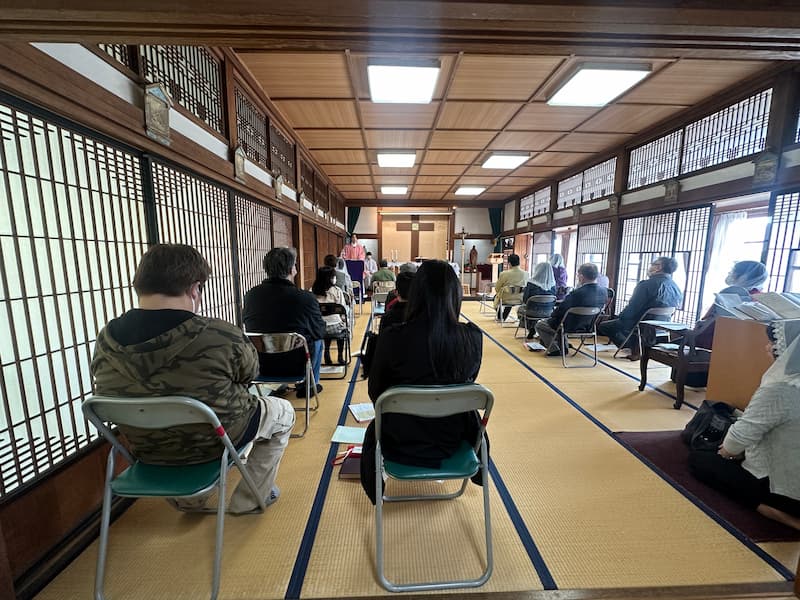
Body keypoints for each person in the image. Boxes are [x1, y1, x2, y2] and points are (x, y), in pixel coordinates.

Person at [90, 244, 295, 514]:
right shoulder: (219, 335)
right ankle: (250, 498)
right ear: (194, 288)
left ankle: (189, 499)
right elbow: (250, 374)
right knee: (283, 412)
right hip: (213, 440)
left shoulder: (106, 340)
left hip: (147, 446)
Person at [359, 260, 485, 504]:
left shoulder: (393, 337)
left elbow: (377, 395)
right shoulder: (472, 337)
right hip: (453, 438)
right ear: (456, 294)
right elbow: (467, 385)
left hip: (398, 438)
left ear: (415, 294)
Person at [688, 318, 800, 531]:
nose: (767, 347)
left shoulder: (780, 389)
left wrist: (728, 452)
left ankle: (776, 513)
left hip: (784, 490)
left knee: (700, 460)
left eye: (773, 343)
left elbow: (739, 439)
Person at [243, 247, 326, 397]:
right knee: (317, 340)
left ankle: (278, 385)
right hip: (295, 366)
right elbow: (319, 331)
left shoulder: (251, 296)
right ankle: (308, 386)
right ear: (291, 269)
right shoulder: (305, 298)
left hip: (260, 366)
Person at [598, 256, 683, 361]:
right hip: (663, 325)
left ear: (659, 267)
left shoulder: (646, 285)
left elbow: (633, 307)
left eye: (653, 264)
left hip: (641, 323)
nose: (650, 267)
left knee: (605, 326)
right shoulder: (676, 287)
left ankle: (634, 348)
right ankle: (642, 347)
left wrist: (621, 317)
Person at [535, 263, 608, 356]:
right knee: (562, 321)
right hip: (588, 327)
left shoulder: (577, 293)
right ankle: (563, 346)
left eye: (578, 275)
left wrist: (553, 315)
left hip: (569, 325)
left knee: (540, 325)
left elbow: (561, 309)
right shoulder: (604, 291)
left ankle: (554, 349)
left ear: (581, 276)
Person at [695, 260, 768, 351]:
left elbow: (708, 318)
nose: (729, 273)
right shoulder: (761, 296)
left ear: (743, 276)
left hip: (715, 337)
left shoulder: (730, 293)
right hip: (744, 343)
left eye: (732, 271)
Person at [312, 265, 348, 365]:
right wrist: (344, 320)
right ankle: (340, 356)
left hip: (319, 328)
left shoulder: (312, 291)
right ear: (331, 278)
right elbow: (343, 310)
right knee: (340, 327)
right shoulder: (337, 291)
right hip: (335, 327)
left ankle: (326, 353)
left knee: (325, 325)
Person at [518, 262, 557, 340]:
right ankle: (537, 330)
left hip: (532, 311)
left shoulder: (531, 283)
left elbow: (525, 300)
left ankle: (531, 328)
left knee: (521, 309)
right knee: (535, 307)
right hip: (549, 312)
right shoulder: (553, 285)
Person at [493, 253, 527, 320]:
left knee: (496, 297)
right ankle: (504, 316)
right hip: (520, 299)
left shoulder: (504, 274)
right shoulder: (526, 274)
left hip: (506, 298)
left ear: (509, 263)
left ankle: (501, 316)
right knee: (511, 297)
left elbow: (497, 288)